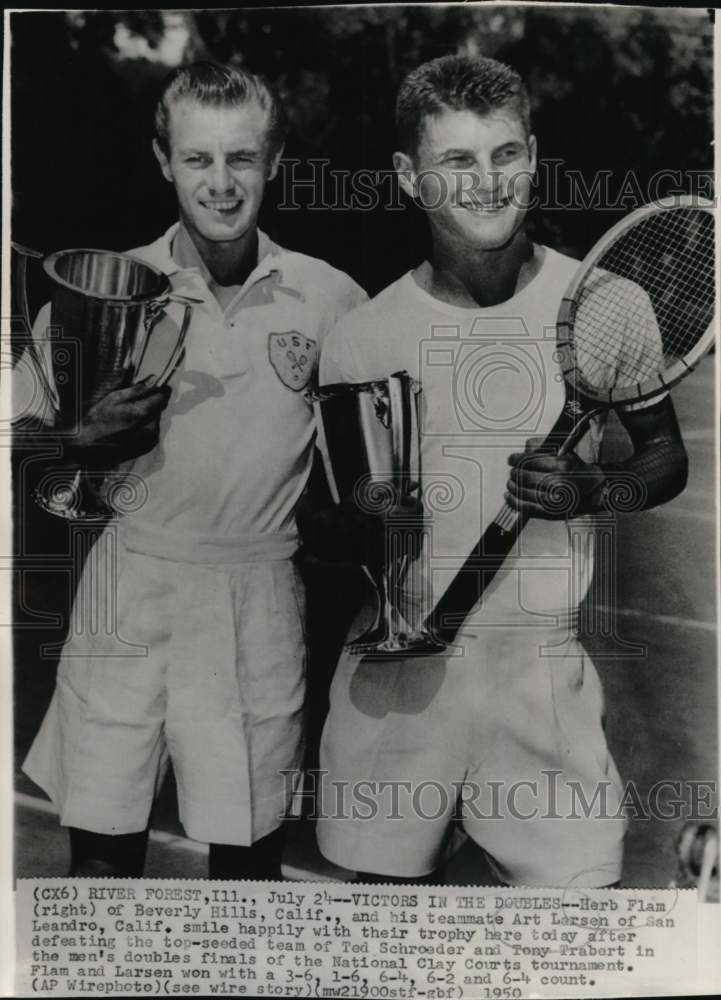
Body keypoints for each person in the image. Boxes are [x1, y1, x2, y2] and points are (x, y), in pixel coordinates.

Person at [313, 54, 688, 888]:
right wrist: (361, 524)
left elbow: (664, 459)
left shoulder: (606, 302)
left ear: (533, 156)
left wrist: (596, 488)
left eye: (504, 154)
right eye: (455, 160)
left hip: (538, 671)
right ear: (407, 176)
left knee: (572, 920)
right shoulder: (361, 336)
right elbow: (324, 524)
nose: (486, 182)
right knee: (383, 932)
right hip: (398, 675)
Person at [19, 61, 366, 878]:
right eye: (197, 158)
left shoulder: (330, 298)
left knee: (245, 872)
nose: (220, 183)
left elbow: (364, 473)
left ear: (273, 161)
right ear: (162, 160)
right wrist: (75, 444)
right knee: (101, 866)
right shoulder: (98, 290)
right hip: (130, 585)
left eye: (241, 158)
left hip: (259, 595)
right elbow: (20, 440)